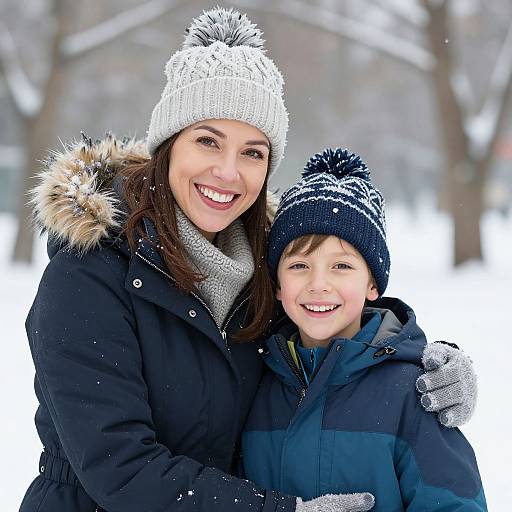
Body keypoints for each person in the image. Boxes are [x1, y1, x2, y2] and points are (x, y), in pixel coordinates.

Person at [20, 7, 477, 512]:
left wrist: (429, 367)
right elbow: (120, 467)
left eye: (253, 152)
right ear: (167, 146)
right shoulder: (90, 273)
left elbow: (335, 328)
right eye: (207, 141)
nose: (227, 172)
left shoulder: (267, 272)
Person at [242, 148, 487, 511]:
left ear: (373, 284)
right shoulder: (256, 384)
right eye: (299, 266)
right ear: (277, 284)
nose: (318, 284)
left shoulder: (412, 393)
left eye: (341, 266)